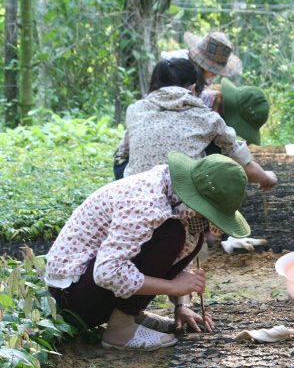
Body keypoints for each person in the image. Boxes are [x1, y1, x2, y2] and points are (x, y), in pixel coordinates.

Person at [46, 152, 250, 350]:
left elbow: (179, 256)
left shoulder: (172, 193)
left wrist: (182, 304)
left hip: (89, 289)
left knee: (185, 235)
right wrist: (173, 287)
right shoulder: (147, 203)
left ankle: (129, 314)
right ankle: (120, 329)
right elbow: (107, 273)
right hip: (70, 298)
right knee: (172, 234)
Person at [118, 58, 276, 191]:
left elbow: (122, 154)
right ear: (193, 88)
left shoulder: (134, 110)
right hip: (183, 197)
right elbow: (243, 164)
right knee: (219, 151)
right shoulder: (206, 117)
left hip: (136, 192)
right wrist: (267, 178)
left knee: (123, 157)